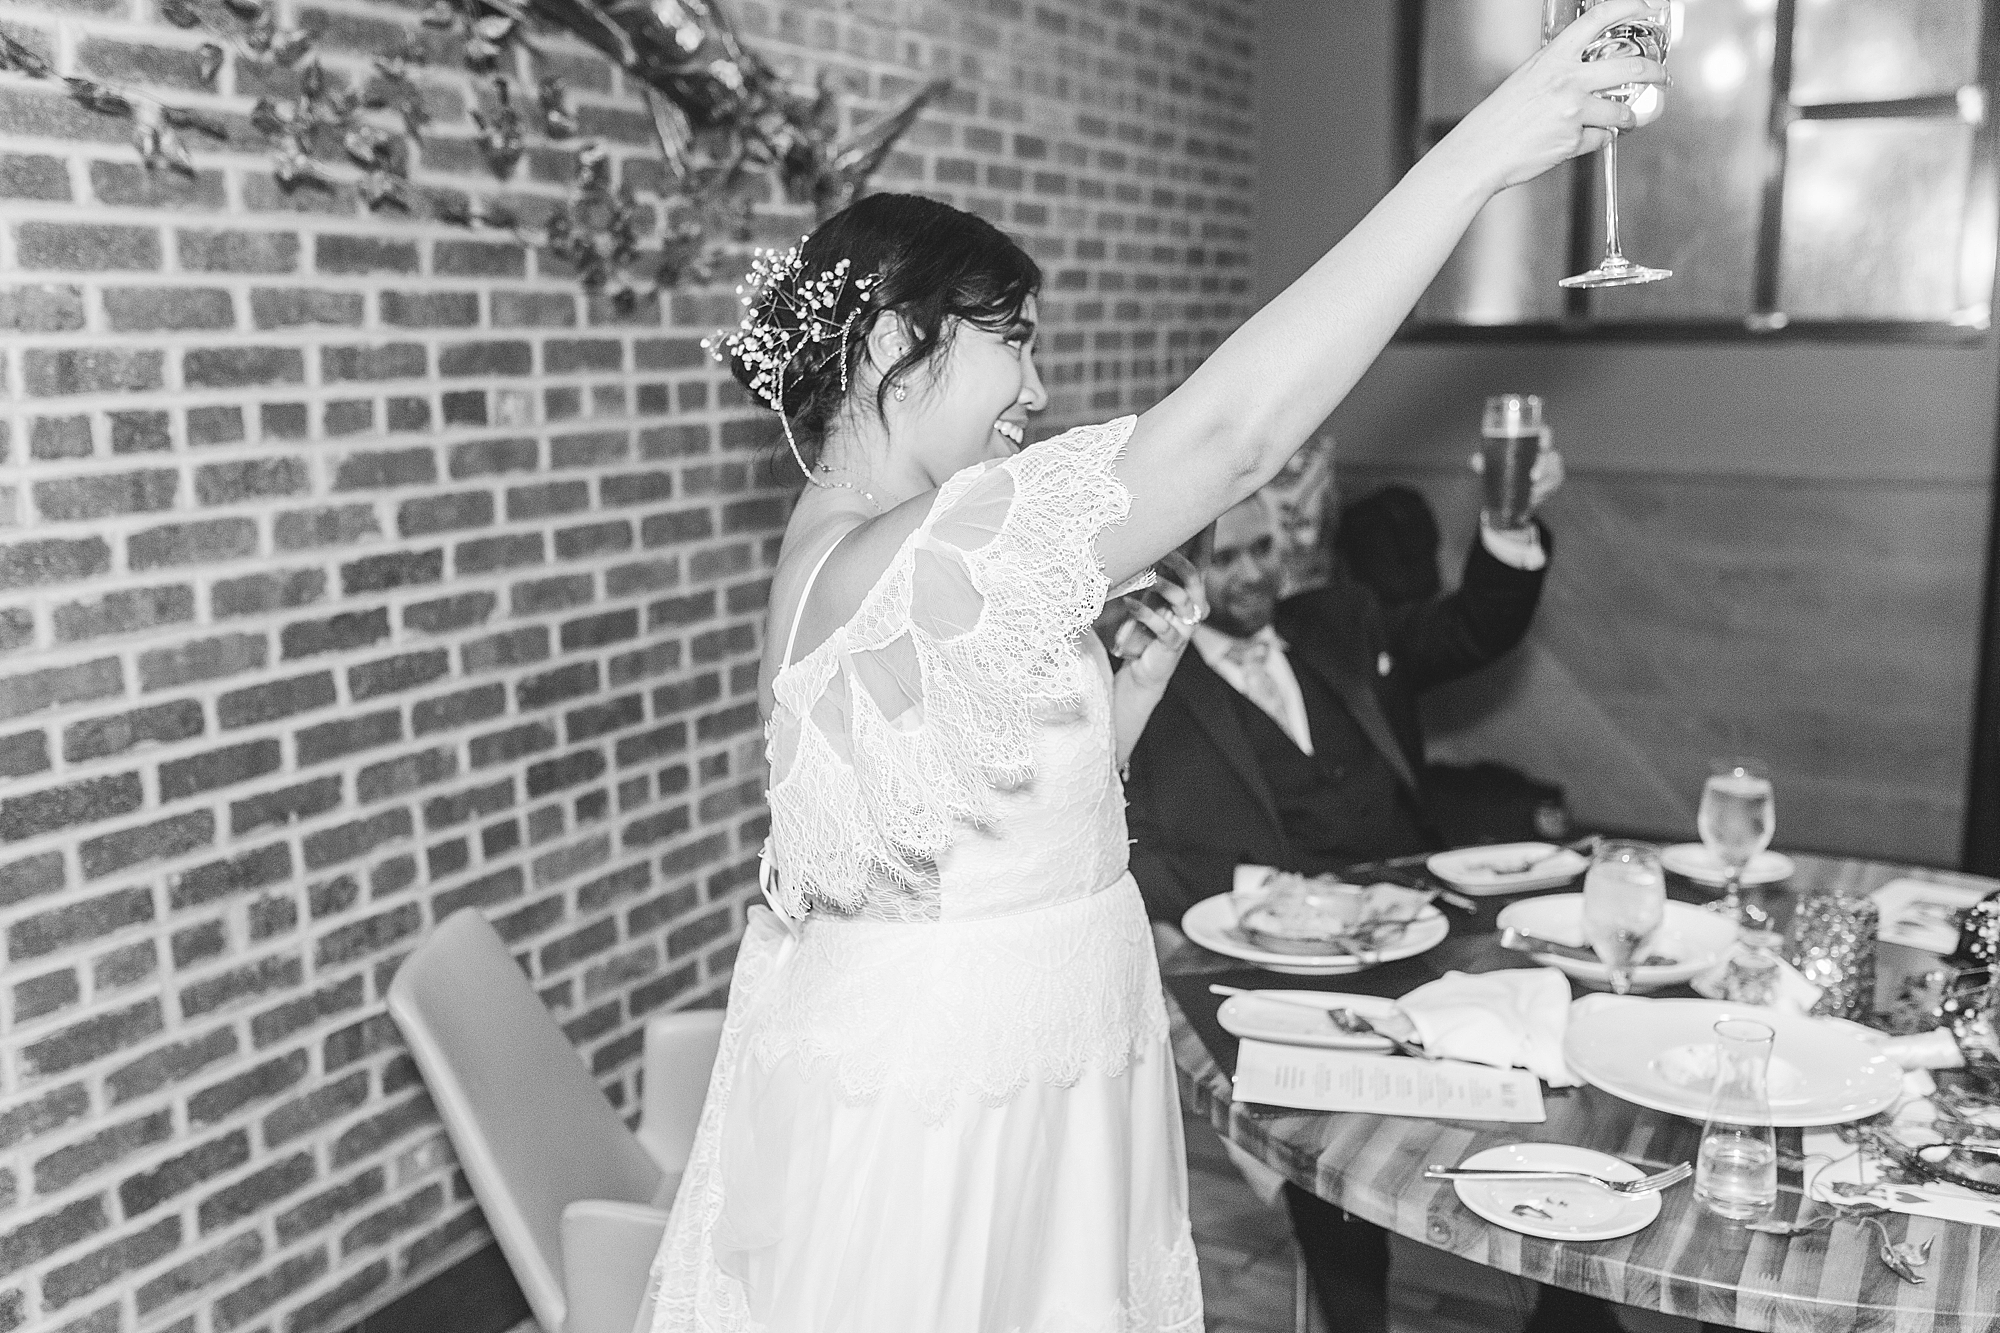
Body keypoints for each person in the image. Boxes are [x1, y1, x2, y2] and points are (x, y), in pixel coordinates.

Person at [644, 11, 1663, 1328]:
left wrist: (1110, 714)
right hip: (956, 1098)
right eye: (1010, 334)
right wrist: (1476, 158)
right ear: (897, 341)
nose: (1036, 380)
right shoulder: (896, 552)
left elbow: (951, 839)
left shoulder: (881, 559)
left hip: (1044, 1051)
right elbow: (1232, 439)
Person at [1122, 461, 1562, 923]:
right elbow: (1138, 852)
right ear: (1178, 575)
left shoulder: (1342, 622)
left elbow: (1473, 627)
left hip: (1415, 909)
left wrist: (1509, 520)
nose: (1252, 574)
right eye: (1226, 560)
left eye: (1262, 548)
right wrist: (1263, 888)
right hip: (1277, 933)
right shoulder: (1147, 687)